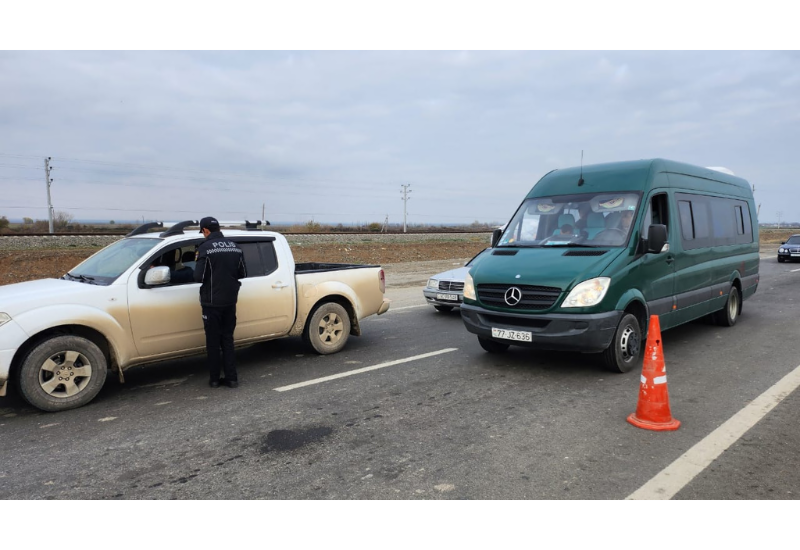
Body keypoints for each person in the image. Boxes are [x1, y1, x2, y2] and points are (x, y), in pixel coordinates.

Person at [193, 217, 247, 388]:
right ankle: (232, 379)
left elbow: (198, 277)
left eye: (202, 232)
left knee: (213, 341)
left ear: (206, 230)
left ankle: (215, 379)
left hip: (211, 303)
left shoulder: (205, 248)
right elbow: (242, 273)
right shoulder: (235, 247)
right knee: (228, 340)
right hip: (230, 301)